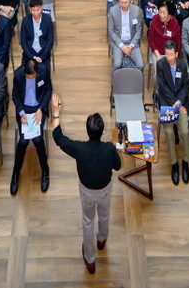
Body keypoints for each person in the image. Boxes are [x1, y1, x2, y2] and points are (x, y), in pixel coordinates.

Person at [51, 93, 121, 275]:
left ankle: (90, 259)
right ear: (102, 131)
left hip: (86, 192)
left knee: (87, 221)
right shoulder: (109, 148)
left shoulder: (80, 149)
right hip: (105, 190)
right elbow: (118, 166)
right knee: (104, 216)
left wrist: (56, 113)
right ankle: (102, 239)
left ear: (87, 131)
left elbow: (59, 139)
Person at [10, 58, 51, 195]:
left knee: (38, 140)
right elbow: (15, 96)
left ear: (37, 72)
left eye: (33, 76)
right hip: (24, 110)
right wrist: (21, 112)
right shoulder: (18, 74)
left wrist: (41, 108)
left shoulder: (43, 71)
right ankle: (15, 173)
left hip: (38, 108)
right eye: (29, 77)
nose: (31, 78)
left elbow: (48, 90)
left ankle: (45, 171)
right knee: (23, 142)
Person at [155, 38, 189, 184]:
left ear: (176, 54)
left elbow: (186, 85)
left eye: (171, 54)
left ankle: (186, 161)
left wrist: (180, 101)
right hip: (167, 104)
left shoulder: (182, 65)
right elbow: (162, 87)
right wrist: (174, 103)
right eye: (166, 54)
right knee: (169, 132)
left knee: (185, 132)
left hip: (180, 104)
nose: (169, 57)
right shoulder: (160, 64)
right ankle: (174, 163)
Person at [107, 0, 144, 72]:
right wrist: (121, 45)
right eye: (121, 2)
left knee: (140, 65)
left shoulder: (136, 11)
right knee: (117, 64)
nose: (123, 5)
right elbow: (111, 31)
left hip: (132, 42)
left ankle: (133, 79)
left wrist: (131, 45)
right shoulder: (113, 11)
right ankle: (115, 80)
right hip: (118, 42)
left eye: (125, 2)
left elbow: (139, 30)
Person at [20, 0, 54, 66]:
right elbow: (23, 41)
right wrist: (32, 56)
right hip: (29, 52)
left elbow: (50, 40)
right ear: (30, 9)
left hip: (43, 52)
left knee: (45, 70)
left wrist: (42, 57)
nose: (35, 13)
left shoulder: (47, 20)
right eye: (33, 10)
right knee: (24, 70)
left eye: (38, 10)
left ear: (41, 8)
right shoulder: (25, 21)